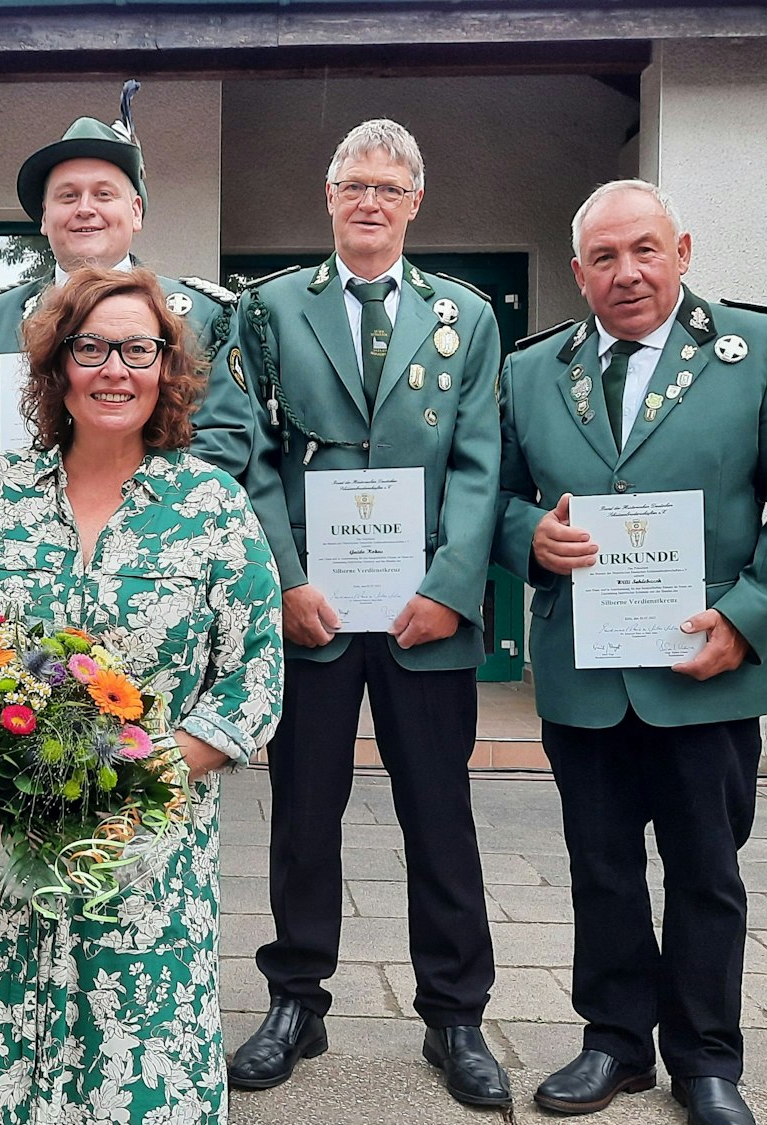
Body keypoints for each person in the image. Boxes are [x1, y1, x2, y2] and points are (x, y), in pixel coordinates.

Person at [494, 180, 767, 1125]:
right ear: (578, 272)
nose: (627, 272)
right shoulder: (532, 371)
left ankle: (706, 1060)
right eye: (603, 258)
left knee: (705, 870)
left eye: (644, 250)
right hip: (587, 675)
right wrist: (529, 535)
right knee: (598, 864)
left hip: (707, 670)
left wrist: (749, 618)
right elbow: (497, 497)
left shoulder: (761, 349)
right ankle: (613, 1042)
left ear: (681, 250)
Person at [0, 267, 282, 1124]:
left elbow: (256, 668)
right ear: (57, 367)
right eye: (91, 348)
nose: (114, 368)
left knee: (137, 1068)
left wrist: (159, 766)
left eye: (137, 349)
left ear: (165, 369)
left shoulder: (211, 506)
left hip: (145, 847)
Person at [228, 118, 509, 1107]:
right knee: (302, 815)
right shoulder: (264, 310)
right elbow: (246, 453)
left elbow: (480, 461)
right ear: (328, 195)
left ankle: (455, 1015)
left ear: (414, 201)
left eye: (388, 188)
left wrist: (449, 585)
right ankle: (294, 1002)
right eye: (353, 185)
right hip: (309, 609)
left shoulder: (465, 317)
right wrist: (284, 578)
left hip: (421, 615)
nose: (369, 203)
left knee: (439, 815)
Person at [0, 81, 254, 483]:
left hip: (161, 532)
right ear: (44, 217)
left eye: (104, 194)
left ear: (135, 212)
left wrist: (123, 507)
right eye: (68, 197)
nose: (86, 209)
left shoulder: (207, 315)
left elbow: (223, 440)